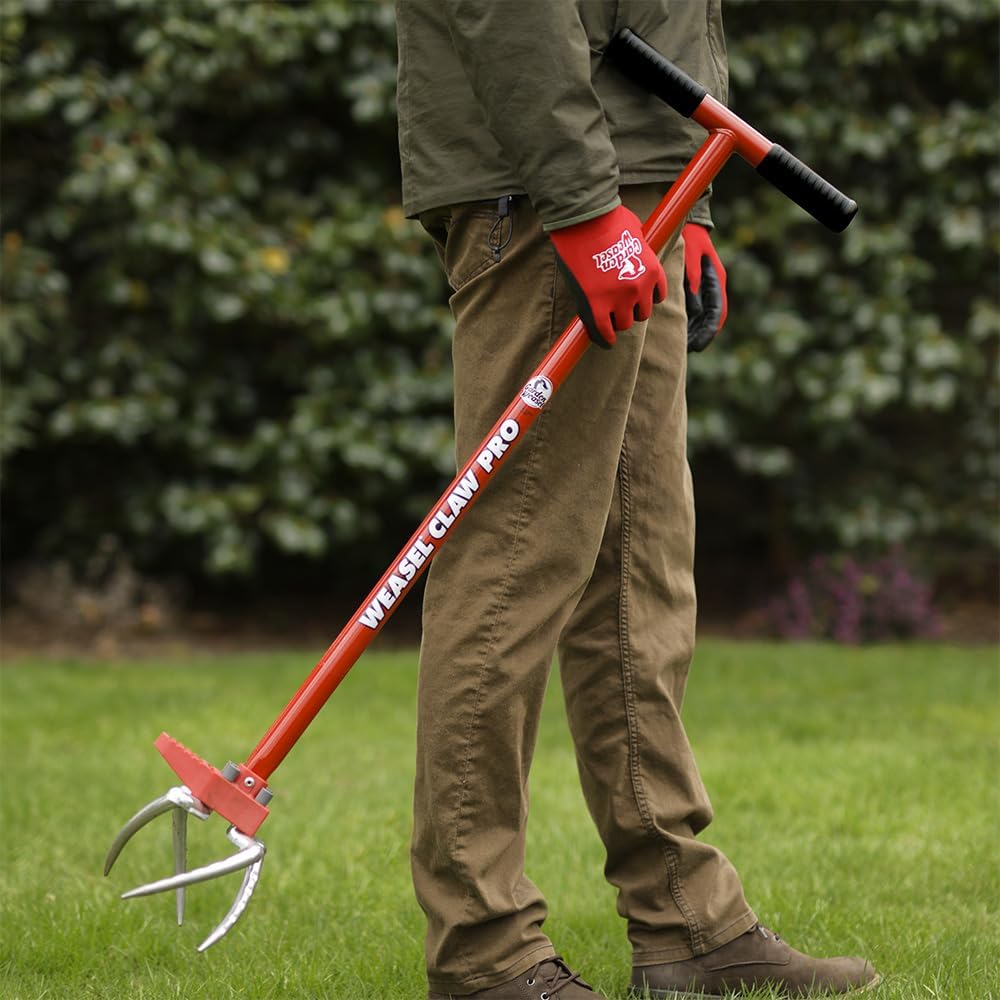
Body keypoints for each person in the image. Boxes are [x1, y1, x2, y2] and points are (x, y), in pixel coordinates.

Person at [393, 3, 880, 997]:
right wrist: (580, 203)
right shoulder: (565, 191)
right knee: (515, 559)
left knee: (639, 563)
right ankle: (482, 950)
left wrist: (685, 206)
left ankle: (687, 923)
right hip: (547, 189)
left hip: (636, 186)